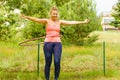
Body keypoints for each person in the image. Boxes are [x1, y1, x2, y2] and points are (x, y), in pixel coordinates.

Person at [20, 6, 89, 80]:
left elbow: (71, 22)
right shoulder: (46, 21)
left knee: (57, 61)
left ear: (57, 14)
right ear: (50, 14)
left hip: (57, 44)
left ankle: (56, 78)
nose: (55, 15)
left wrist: (83, 22)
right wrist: (25, 17)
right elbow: (36, 20)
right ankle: (47, 79)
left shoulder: (60, 22)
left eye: (56, 14)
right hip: (48, 44)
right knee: (48, 62)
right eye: (53, 14)